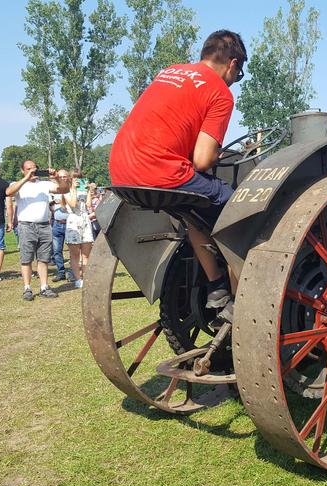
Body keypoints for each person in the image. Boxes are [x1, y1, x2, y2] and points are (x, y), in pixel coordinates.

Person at [109, 29, 247, 320]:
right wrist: (217, 154)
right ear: (233, 64)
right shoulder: (220, 93)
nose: (235, 81)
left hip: (120, 170)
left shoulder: (170, 72)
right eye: (239, 74)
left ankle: (217, 287)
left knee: (192, 211)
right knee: (241, 216)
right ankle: (242, 301)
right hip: (159, 171)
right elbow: (202, 159)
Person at [5, 160, 70, 301]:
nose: (32, 172)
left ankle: (44, 287)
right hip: (26, 225)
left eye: (34, 169)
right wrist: (25, 178)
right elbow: (8, 192)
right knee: (26, 258)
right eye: (29, 169)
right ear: (23, 170)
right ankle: (27, 288)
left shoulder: (44, 184)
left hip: (44, 225)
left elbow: (65, 189)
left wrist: (57, 177)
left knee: (43, 258)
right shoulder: (17, 185)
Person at [63, 171, 94, 288]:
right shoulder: (66, 191)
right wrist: (74, 189)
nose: (77, 180)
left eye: (79, 178)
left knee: (86, 254)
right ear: (70, 179)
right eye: (75, 178)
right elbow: (72, 203)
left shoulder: (84, 190)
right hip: (73, 222)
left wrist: (88, 191)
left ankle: (86, 277)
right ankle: (77, 278)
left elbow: (89, 205)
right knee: (75, 254)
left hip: (85, 220)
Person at [50, 174, 71, 282]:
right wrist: (52, 203)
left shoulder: (71, 189)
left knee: (73, 250)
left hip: (70, 224)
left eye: (64, 176)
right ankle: (61, 272)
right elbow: (48, 205)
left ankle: (72, 272)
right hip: (57, 224)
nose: (62, 178)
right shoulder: (54, 190)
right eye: (60, 176)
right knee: (57, 250)